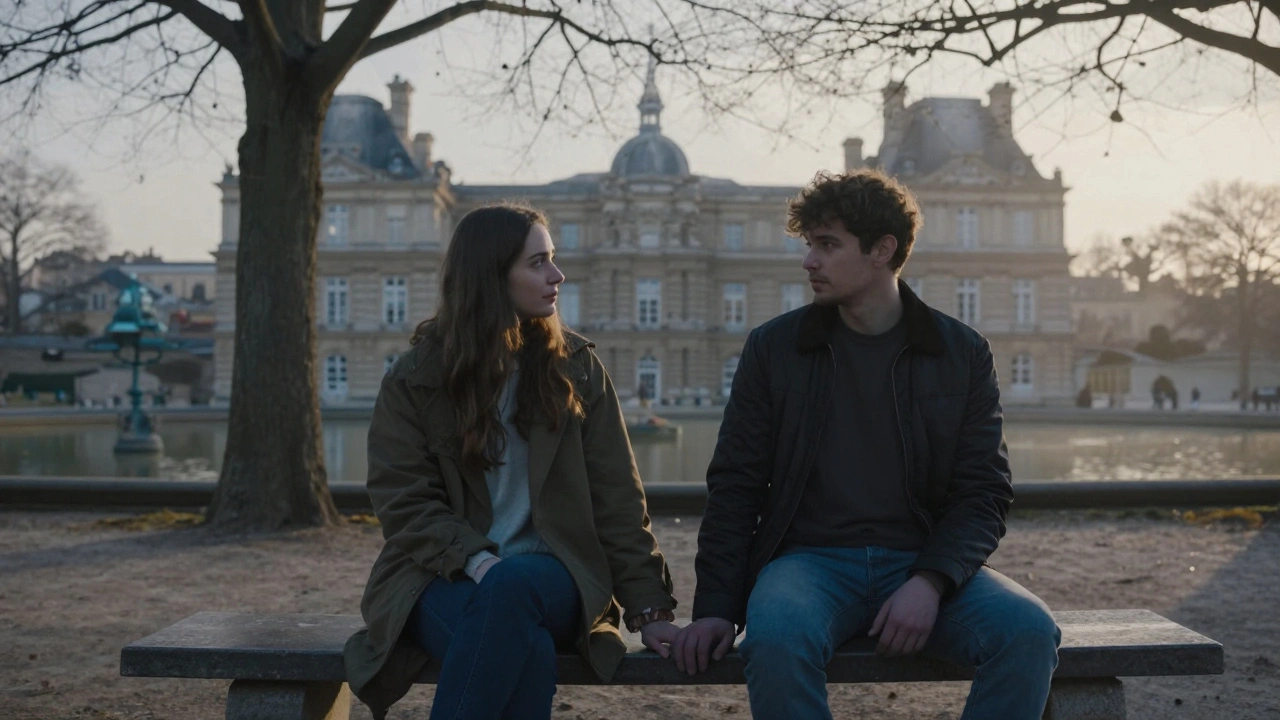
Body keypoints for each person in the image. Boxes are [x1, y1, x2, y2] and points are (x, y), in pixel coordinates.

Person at [672, 170, 1060, 719]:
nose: (809, 261)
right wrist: (714, 608)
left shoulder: (961, 352)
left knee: (1030, 630)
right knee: (776, 637)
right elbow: (735, 486)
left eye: (827, 245)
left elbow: (984, 493)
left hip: (922, 560)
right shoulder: (773, 348)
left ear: (883, 250)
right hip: (807, 565)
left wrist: (930, 581)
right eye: (810, 245)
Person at [343, 204, 679, 720]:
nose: (557, 275)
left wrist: (648, 608)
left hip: (554, 577)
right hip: (443, 575)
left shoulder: (577, 369)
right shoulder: (416, 379)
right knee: (530, 648)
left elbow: (619, 499)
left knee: (515, 585)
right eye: (538, 262)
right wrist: (478, 561)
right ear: (491, 277)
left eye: (553, 259)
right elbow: (403, 501)